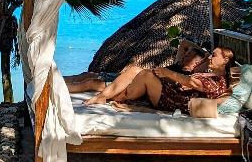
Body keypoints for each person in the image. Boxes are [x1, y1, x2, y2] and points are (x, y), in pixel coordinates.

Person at [88, 46, 234, 114]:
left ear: (225, 60)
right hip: (174, 91)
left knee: (146, 75)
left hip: (176, 100)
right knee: (135, 70)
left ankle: (113, 96)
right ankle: (102, 97)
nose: (209, 57)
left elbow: (192, 83)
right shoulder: (210, 74)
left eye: (214, 55)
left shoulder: (219, 81)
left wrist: (167, 73)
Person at [67, 40, 208, 96]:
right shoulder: (178, 64)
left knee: (91, 82)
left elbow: (204, 67)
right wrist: (201, 51)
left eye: (188, 56)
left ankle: (58, 89)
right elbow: (184, 43)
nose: (184, 56)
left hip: (135, 82)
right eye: (186, 54)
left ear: (197, 63)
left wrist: (206, 57)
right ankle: (56, 80)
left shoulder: (188, 76)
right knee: (88, 74)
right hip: (128, 76)